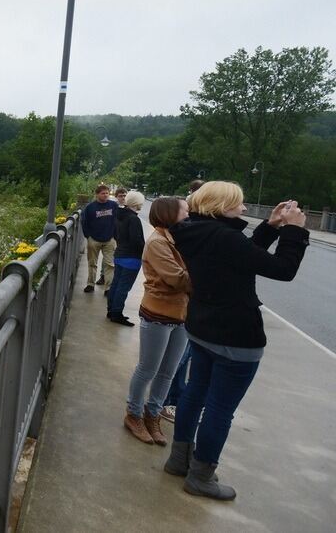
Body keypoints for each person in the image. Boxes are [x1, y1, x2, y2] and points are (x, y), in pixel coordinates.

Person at [164, 182, 309, 500]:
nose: (245, 209)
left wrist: (270, 226)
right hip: (236, 336)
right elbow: (282, 270)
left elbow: (241, 255)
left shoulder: (194, 231)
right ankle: (201, 476)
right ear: (221, 207)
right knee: (219, 409)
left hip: (202, 328)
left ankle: (179, 459)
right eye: (239, 204)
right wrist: (294, 231)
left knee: (193, 396)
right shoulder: (223, 237)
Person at [123, 197, 191, 445]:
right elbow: (177, 279)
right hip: (159, 313)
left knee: (168, 372)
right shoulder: (158, 242)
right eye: (185, 210)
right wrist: (208, 278)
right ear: (170, 213)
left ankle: (153, 415)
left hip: (182, 314)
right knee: (148, 368)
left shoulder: (179, 238)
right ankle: (134, 414)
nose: (189, 213)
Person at [162, 178, 204, 423]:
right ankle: (167, 402)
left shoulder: (189, 229)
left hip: (189, 304)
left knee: (183, 356)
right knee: (180, 357)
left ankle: (171, 400)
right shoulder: (188, 231)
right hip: (184, 305)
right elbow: (178, 277)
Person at [106, 190, 145, 326]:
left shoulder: (119, 215)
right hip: (132, 257)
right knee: (124, 287)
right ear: (137, 203)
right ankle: (117, 314)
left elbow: (115, 234)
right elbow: (136, 240)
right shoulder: (134, 219)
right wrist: (145, 250)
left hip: (120, 253)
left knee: (116, 284)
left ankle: (111, 310)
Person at [81, 185, 118, 294]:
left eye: (107, 193)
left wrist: (115, 236)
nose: (105, 195)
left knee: (110, 264)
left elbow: (118, 220)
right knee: (92, 263)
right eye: (103, 193)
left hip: (109, 239)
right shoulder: (90, 207)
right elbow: (84, 222)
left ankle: (108, 288)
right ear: (97, 194)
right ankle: (90, 284)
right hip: (94, 239)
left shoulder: (113, 205)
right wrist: (88, 236)